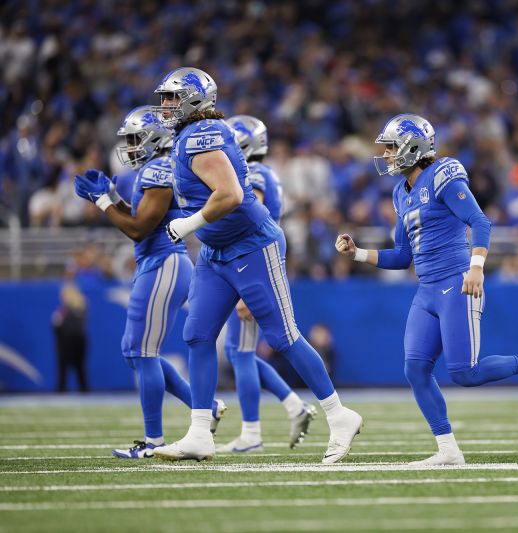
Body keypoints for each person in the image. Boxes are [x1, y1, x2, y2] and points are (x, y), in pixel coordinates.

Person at [335, 113, 518, 466]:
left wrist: (476, 267)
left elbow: (479, 221)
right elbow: (402, 256)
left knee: (466, 372)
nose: (385, 155)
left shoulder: (443, 174)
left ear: (412, 148)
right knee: (415, 369)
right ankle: (448, 450)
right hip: (427, 289)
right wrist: (358, 254)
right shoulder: (401, 192)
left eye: (390, 147)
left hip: (456, 281)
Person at [150, 67, 361, 463]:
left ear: (195, 100)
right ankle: (199, 434)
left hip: (250, 245)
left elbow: (229, 194)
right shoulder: (188, 135)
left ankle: (339, 415)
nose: (165, 106)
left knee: (283, 337)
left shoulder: (201, 136)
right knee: (197, 334)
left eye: (172, 98)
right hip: (216, 251)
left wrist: (189, 223)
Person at [73, 106, 225, 458]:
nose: (128, 145)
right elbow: (141, 219)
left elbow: (140, 228)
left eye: (133, 138)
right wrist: (111, 198)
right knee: (136, 351)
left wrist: (102, 202)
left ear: (154, 136)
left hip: (164, 263)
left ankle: (154, 440)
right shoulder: (152, 167)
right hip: (157, 262)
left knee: (142, 352)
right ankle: (206, 406)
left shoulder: (160, 167)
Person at [217, 114, 316, 453]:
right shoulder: (262, 172)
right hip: (248, 265)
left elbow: (249, 218)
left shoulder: (255, 174)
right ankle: (293, 405)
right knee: (237, 352)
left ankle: (252, 433)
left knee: (242, 354)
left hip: (251, 265)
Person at [52, 282, 88, 392]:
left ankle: (81, 390)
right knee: (68, 367)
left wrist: (58, 321)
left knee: (77, 367)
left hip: (70, 341)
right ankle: (64, 389)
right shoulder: (67, 309)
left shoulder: (74, 308)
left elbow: (58, 325)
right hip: (71, 341)